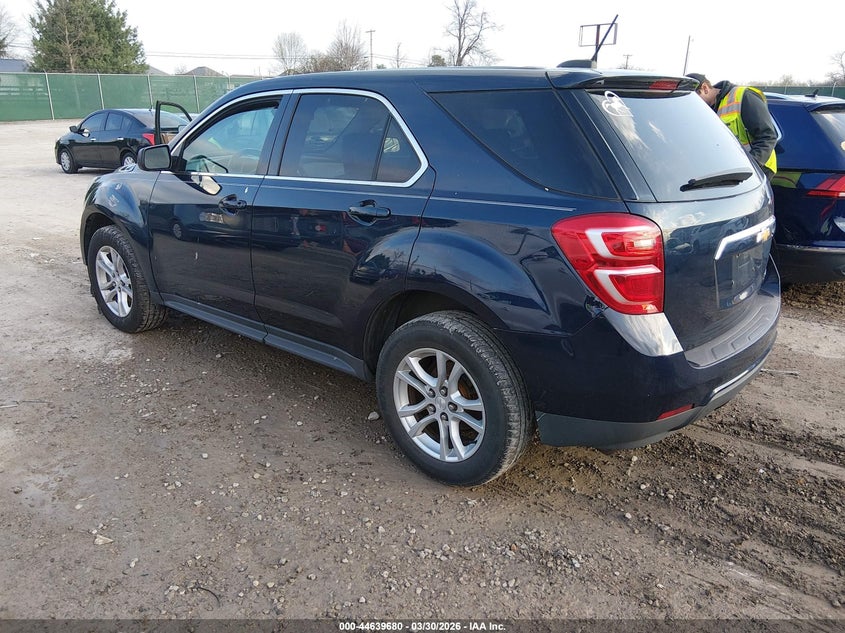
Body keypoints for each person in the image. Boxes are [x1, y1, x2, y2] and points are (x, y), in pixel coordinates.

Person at [687, 73, 778, 180]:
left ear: (705, 88)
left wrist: (751, 166)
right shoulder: (707, 110)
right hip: (730, 171)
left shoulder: (744, 97)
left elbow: (768, 136)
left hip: (758, 168)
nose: (692, 104)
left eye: (695, 99)